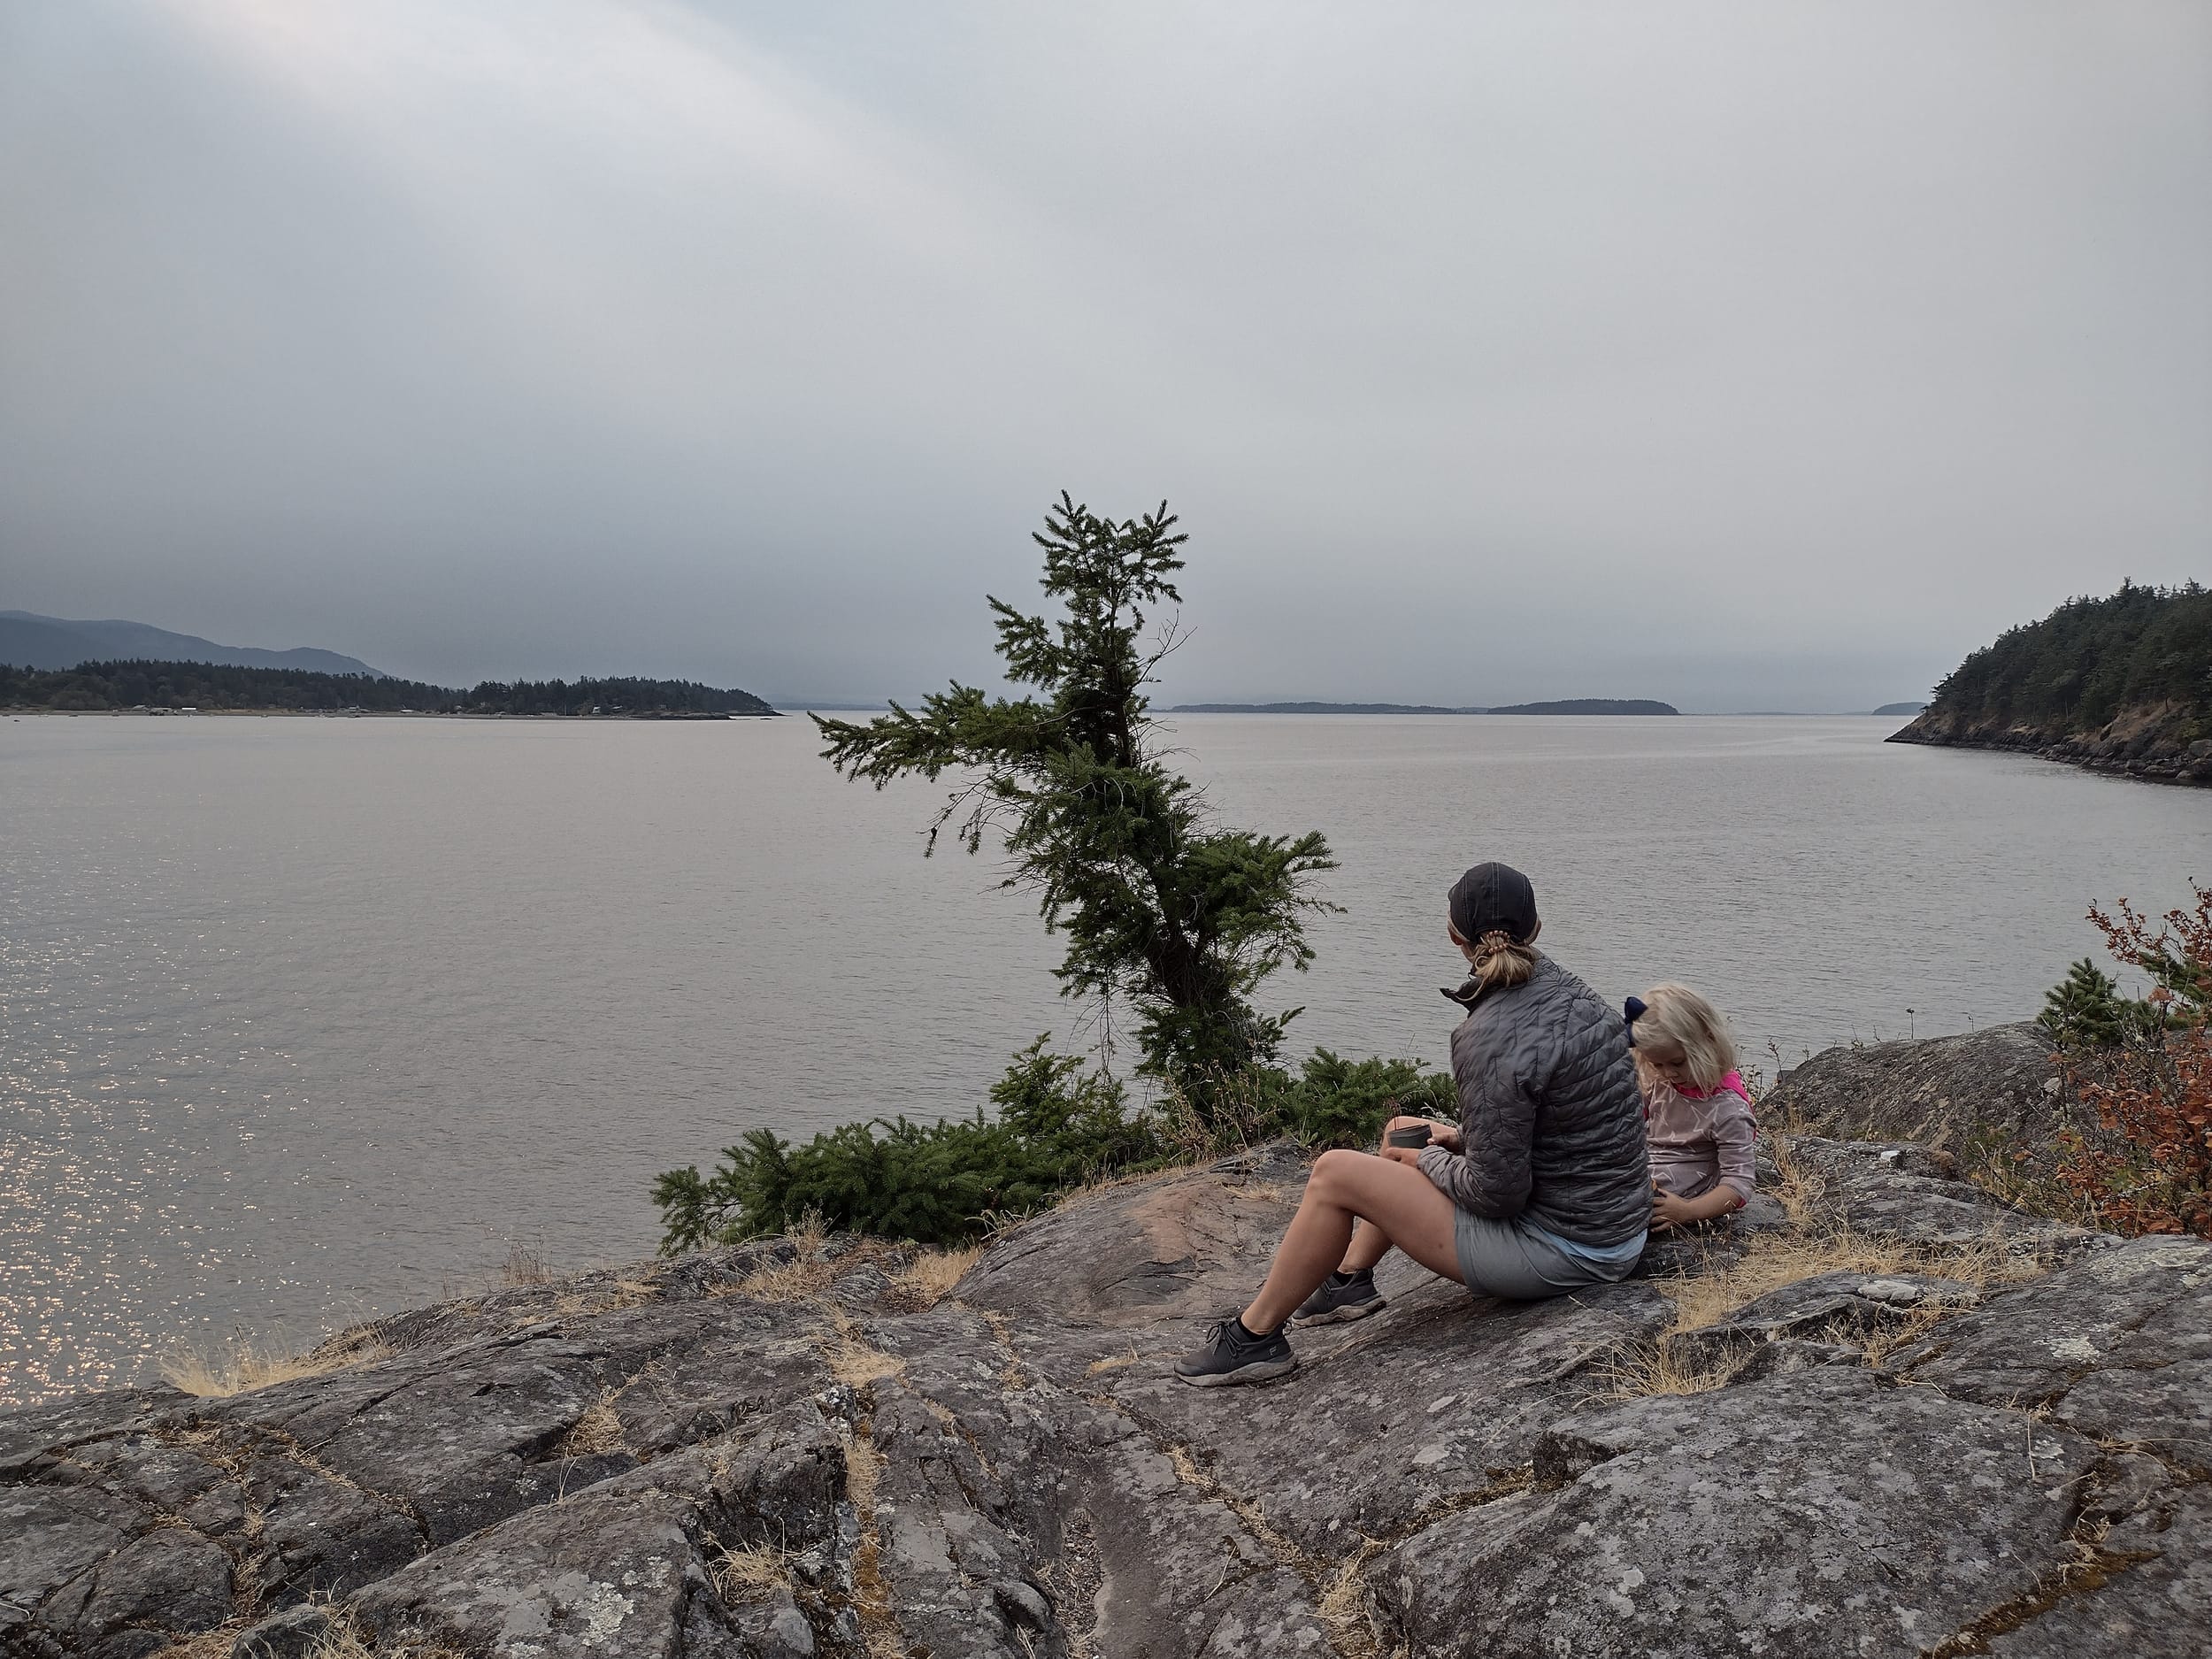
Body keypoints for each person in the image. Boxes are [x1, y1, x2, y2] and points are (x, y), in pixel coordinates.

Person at [1175, 861, 1651, 1386]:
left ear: (1455, 937)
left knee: (1335, 1173)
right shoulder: (1577, 995)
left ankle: (1254, 1339)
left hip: (1567, 1251)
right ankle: (1348, 1281)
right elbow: (1565, 1123)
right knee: (1404, 1130)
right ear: (1536, 929)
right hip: (1611, 1229)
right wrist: (1456, 1141)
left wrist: (1427, 1159)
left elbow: (1498, 1195)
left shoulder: (1489, 1032)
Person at [1628, 983, 1756, 1231]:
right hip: (1641, 1171)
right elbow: (1626, 1123)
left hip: (1677, 1193)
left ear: (1709, 1041)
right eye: (1657, 1064)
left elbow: (1738, 1182)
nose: (1669, 1073)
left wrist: (1687, 1211)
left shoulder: (1729, 1109)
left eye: (1677, 1062)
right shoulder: (1658, 1080)